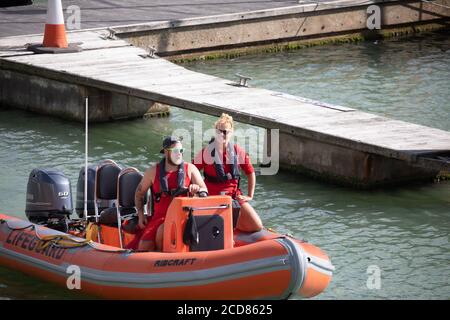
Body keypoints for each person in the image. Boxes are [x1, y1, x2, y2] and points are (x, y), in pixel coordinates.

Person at [131, 136, 207, 251]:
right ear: (166, 152)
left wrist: (197, 189)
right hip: (159, 217)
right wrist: (141, 215)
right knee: (144, 246)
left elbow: (204, 190)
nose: (179, 154)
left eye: (181, 151)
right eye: (176, 151)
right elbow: (139, 194)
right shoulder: (152, 171)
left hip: (184, 216)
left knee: (163, 230)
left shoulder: (190, 169)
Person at [193, 113, 263, 233]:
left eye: (225, 132)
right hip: (211, 197)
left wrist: (250, 195)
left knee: (257, 225)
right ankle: (226, 224)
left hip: (234, 197)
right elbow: (191, 170)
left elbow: (250, 173)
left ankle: (232, 225)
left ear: (231, 133)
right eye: (219, 131)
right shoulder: (206, 152)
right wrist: (196, 190)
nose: (222, 134)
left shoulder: (238, 151)